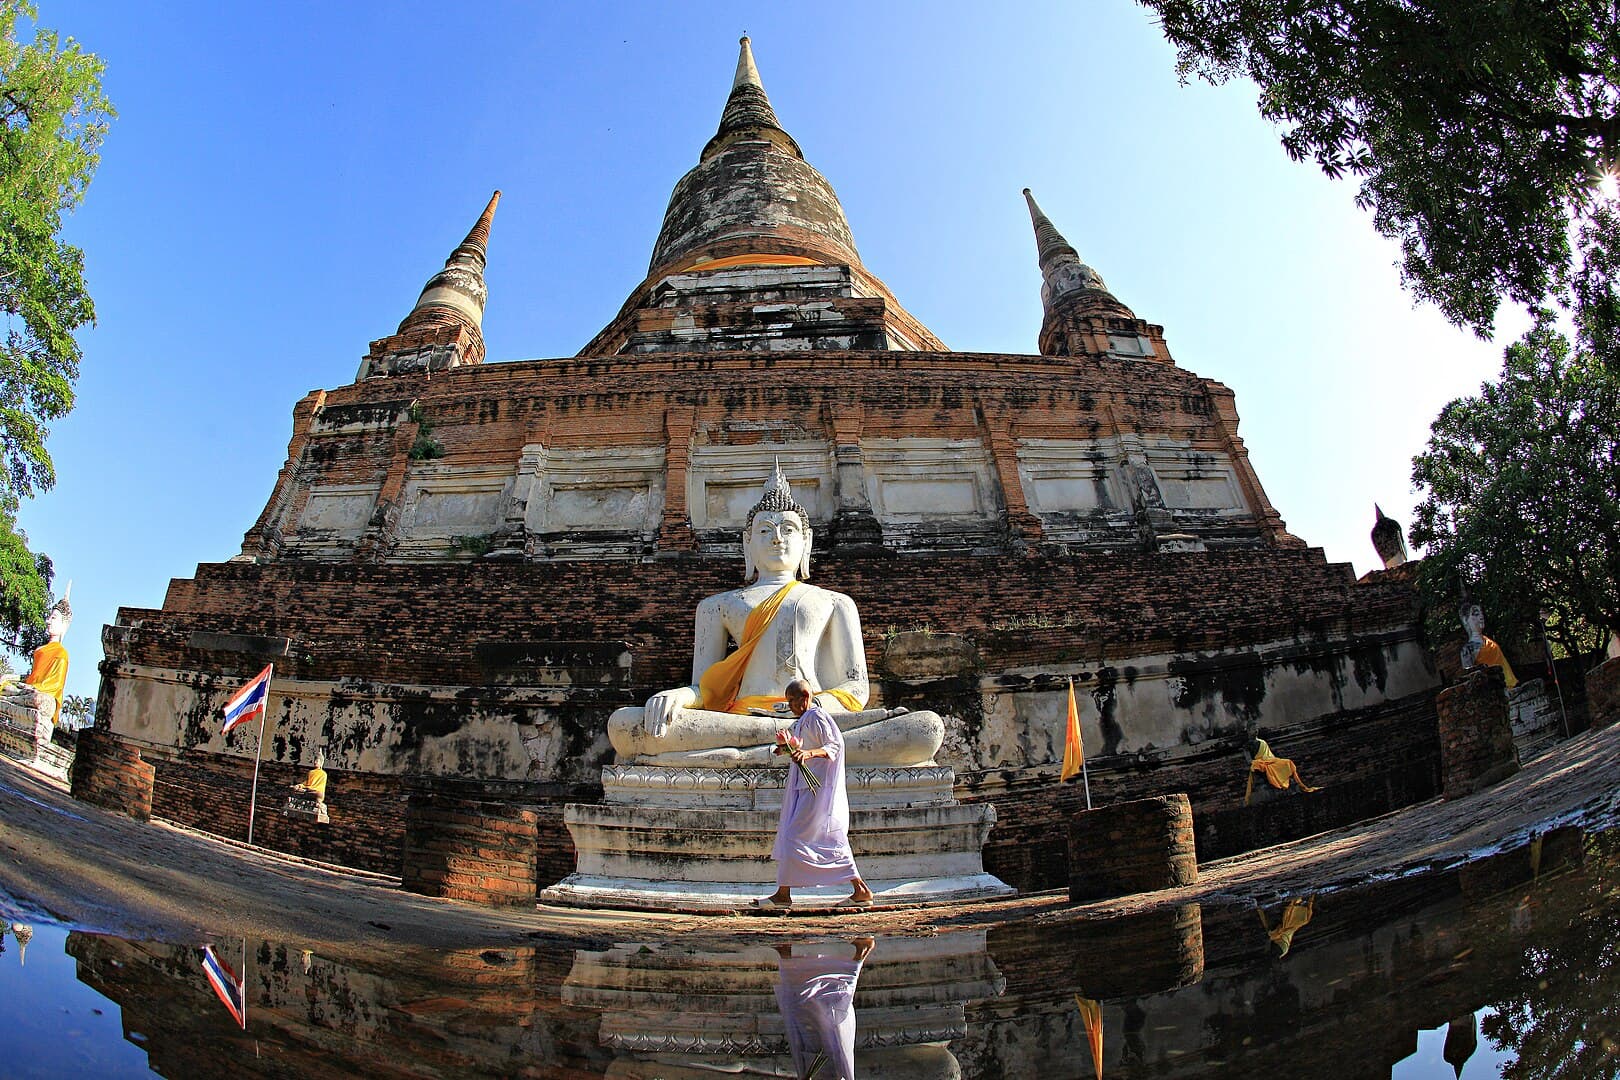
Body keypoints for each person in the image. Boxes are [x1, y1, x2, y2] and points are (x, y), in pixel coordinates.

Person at [606, 466, 942, 768]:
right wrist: (678, 696)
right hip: (741, 719)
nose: (777, 537)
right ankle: (774, 750)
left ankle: (741, 757)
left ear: (806, 541)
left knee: (925, 728)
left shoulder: (835, 602)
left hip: (811, 720)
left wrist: (809, 707)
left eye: (789, 529)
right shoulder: (718, 605)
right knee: (625, 725)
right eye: (765, 530)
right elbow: (706, 690)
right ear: (747, 543)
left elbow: (855, 688)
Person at [757, 678, 874, 908]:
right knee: (816, 837)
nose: (789, 705)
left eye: (792, 700)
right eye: (788, 700)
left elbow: (834, 745)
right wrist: (785, 748)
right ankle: (859, 889)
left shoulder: (817, 716)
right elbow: (800, 743)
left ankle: (783, 895)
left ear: (806, 698)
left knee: (793, 835)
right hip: (805, 786)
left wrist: (808, 754)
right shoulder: (802, 721)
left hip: (817, 788)